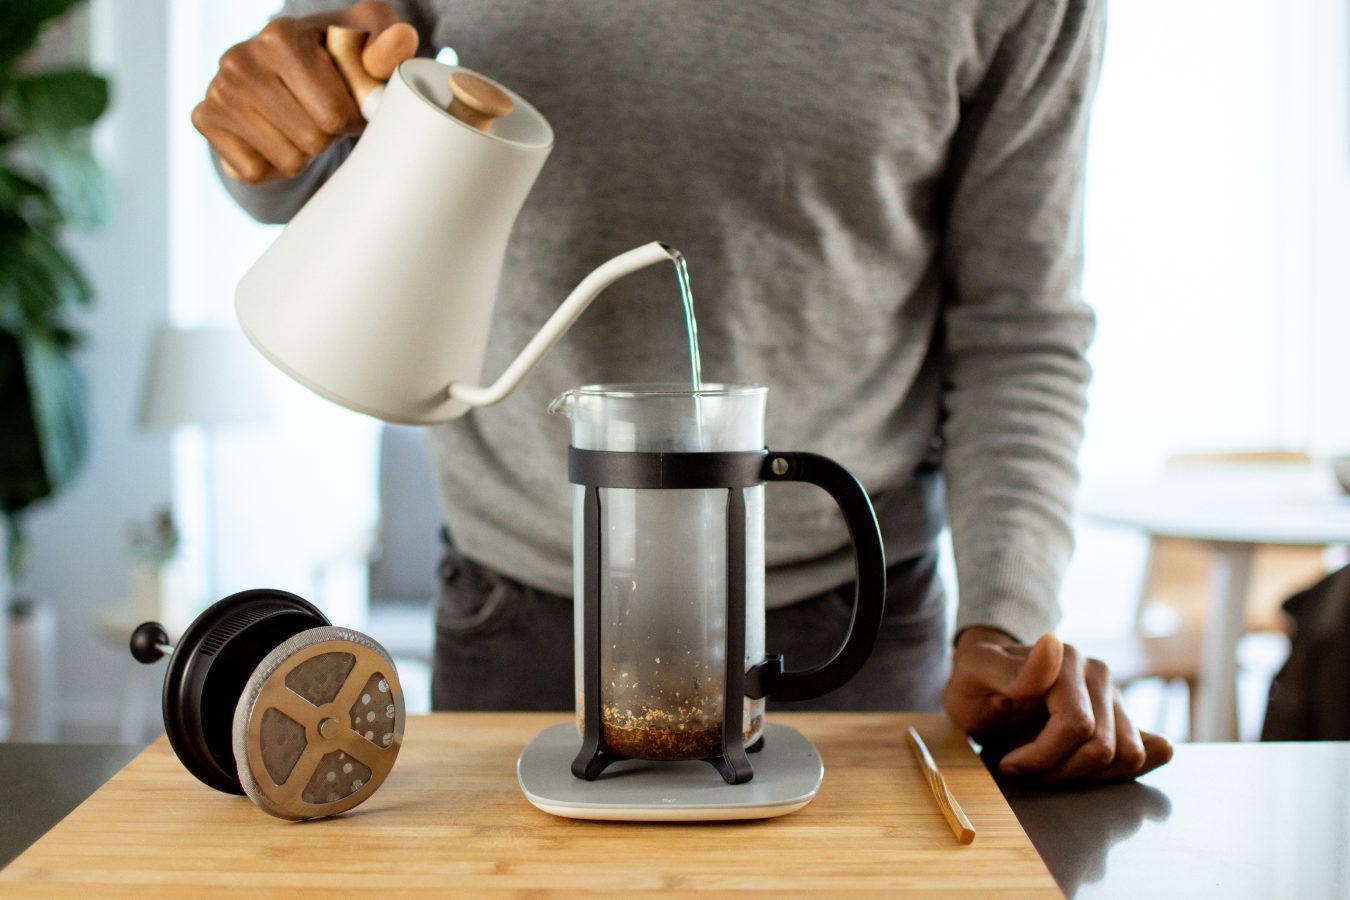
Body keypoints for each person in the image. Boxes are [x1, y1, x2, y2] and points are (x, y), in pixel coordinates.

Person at [195, 0, 1173, 783]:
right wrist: (270, 114)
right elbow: (301, 151)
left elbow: (1019, 327)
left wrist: (1005, 621)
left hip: (860, 623)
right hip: (523, 610)